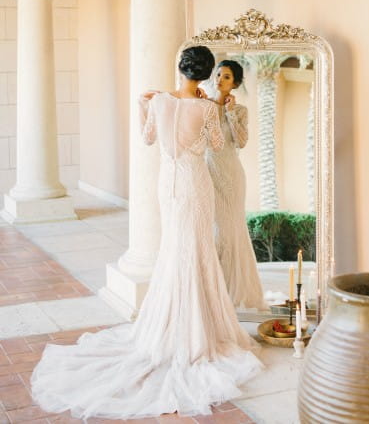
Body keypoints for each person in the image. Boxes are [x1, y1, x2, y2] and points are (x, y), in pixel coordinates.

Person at [31, 46, 264, 419]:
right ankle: (196, 330)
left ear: (180, 68)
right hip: (194, 182)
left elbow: (148, 138)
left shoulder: (160, 103)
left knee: (176, 249)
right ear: (205, 75)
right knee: (197, 250)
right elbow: (218, 145)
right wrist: (207, 108)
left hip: (167, 182)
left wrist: (145, 105)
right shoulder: (205, 107)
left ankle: (171, 324)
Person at [206, 59, 267, 310]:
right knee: (214, 230)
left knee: (231, 230)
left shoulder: (240, 111)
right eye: (218, 74)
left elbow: (241, 141)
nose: (220, 79)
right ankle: (213, 291)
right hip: (207, 172)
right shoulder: (203, 106)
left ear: (236, 83)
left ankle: (233, 291)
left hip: (231, 175)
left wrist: (230, 113)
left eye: (227, 76)